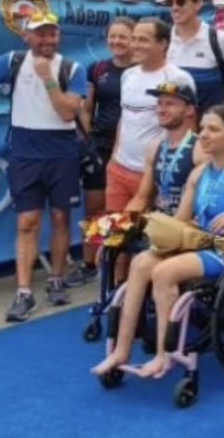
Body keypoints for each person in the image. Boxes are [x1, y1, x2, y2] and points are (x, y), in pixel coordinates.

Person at [90, 106, 224, 379]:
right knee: (141, 262)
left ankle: (163, 356)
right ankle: (122, 350)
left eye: (213, 129)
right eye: (203, 128)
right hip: (199, 242)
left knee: (164, 272)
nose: (204, 135)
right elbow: (180, 222)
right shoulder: (199, 174)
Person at [0, 12, 89, 321]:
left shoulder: (73, 68)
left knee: (62, 218)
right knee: (27, 222)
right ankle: (24, 292)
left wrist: (47, 78)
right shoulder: (11, 61)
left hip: (62, 152)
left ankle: (56, 280)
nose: (48, 39)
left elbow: (68, 114)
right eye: (40, 33)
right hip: (25, 153)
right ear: (26, 36)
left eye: (52, 33)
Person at [68, 17, 137, 287]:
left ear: (134, 39)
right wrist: (88, 140)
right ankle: (88, 263)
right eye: (113, 36)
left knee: (125, 209)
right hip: (100, 147)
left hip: (131, 149)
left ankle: (121, 264)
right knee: (95, 207)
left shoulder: (141, 72)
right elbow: (86, 108)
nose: (117, 42)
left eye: (124, 37)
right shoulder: (96, 69)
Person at [108, 19, 197, 215]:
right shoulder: (128, 75)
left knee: (141, 237)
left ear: (163, 44)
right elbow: (125, 119)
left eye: (143, 40)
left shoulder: (178, 78)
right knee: (111, 233)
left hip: (151, 174)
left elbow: (189, 129)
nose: (135, 45)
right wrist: (113, 159)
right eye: (134, 39)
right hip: (119, 168)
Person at [124, 82, 204, 216]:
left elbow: (206, 203)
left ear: (189, 110)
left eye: (170, 104)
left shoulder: (200, 148)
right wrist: (118, 225)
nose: (161, 110)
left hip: (188, 226)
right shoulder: (154, 146)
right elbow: (141, 198)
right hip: (159, 221)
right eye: (159, 103)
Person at [163, 0, 224, 113]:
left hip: (210, 128)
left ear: (198, 4)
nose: (174, 7)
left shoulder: (219, 39)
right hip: (174, 129)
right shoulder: (164, 41)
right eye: (169, 2)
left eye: (181, 2)